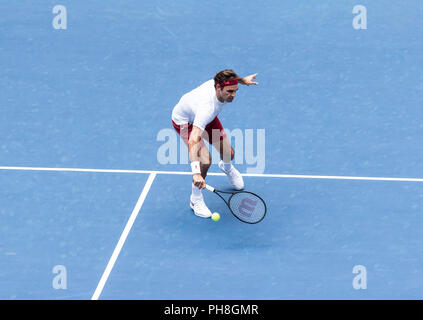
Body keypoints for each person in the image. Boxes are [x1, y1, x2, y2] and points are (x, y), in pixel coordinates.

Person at [171, 69, 258, 218]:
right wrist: (196, 173)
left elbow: (231, 77)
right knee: (205, 160)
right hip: (184, 122)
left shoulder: (220, 81)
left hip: (206, 120)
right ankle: (195, 199)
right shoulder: (207, 108)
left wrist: (243, 81)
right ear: (218, 88)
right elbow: (193, 139)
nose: (233, 95)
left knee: (229, 153)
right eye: (230, 91)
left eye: (236, 90)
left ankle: (226, 167)